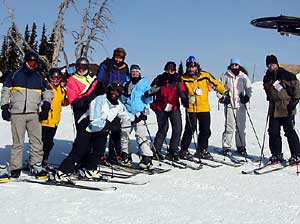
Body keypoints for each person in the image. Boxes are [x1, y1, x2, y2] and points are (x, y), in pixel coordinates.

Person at [55, 83, 128, 182]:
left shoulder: (118, 104)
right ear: (109, 90)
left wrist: (137, 118)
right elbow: (94, 119)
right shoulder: (100, 100)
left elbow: (125, 115)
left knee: (99, 150)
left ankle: (90, 169)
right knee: (80, 150)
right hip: (87, 126)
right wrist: (109, 124)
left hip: (101, 129)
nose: (115, 93)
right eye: (113, 90)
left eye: (118, 91)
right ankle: (62, 172)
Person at [0, 51, 53, 178]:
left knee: (36, 141)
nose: (33, 65)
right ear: (26, 62)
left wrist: (46, 106)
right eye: (31, 62)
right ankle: (15, 167)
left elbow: (48, 92)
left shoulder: (39, 77)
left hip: (34, 113)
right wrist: (4, 106)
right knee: (18, 142)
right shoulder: (15, 75)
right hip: (17, 113)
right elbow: (5, 91)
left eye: (35, 63)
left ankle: (36, 165)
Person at [179, 56, 227, 160]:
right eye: (189, 67)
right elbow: (181, 91)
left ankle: (202, 150)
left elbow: (215, 83)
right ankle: (183, 150)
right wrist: (185, 100)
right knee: (190, 129)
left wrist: (224, 91)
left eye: (193, 67)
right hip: (191, 108)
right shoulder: (184, 78)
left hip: (204, 107)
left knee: (205, 130)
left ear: (197, 66)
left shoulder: (205, 75)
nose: (191, 69)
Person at [263, 54, 300, 164]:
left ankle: (296, 155)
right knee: (273, 132)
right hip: (274, 109)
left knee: (289, 132)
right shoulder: (267, 77)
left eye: (273, 64)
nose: (271, 67)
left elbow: (297, 86)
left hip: (287, 107)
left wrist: (295, 101)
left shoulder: (285, 74)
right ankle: (276, 154)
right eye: (268, 65)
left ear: (277, 64)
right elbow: (267, 90)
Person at [148, 61, 188, 161]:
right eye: (168, 69)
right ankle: (156, 151)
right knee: (163, 129)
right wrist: (152, 104)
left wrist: (185, 100)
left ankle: (173, 151)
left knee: (177, 129)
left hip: (174, 107)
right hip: (161, 108)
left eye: (172, 69)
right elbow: (150, 91)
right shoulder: (160, 78)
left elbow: (183, 92)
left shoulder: (178, 79)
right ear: (165, 69)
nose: (170, 71)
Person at [96, 47, 129, 164]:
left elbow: (126, 82)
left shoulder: (125, 67)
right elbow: (100, 80)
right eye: (117, 57)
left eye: (120, 58)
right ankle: (97, 154)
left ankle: (114, 155)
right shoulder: (106, 65)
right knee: (103, 128)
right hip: (106, 98)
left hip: (117, 101)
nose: (118, 60)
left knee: (116, 129)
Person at [120, 64, 154, 169]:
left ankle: (146, 158)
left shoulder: (144, 83)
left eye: (136, 71)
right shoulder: (126, 83)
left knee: (141, 135)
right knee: (124, 133)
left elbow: (149, 100)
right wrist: (124, 96)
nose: (134, 73)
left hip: (140, 113)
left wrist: (148, 95)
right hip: (128, 113)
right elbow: (122, 100)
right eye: (133, 71)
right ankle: (125, 155)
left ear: (139, 73)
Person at [219, 58, 252, 156]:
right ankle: (226, 147)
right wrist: (222, 98)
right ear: (230, 66)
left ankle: (241, 146)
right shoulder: (226, 76)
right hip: (230, 105)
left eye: (236, 65)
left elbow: (249, 88)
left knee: (241, 128)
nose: (234, 67)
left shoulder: (243, 76)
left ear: (239, 66)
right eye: (233, 65)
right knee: (229, 127)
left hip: (240, 106)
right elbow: (219, 88)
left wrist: (247, 97)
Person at [41, 68, 69, 167]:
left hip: (55, 121)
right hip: (45, 120)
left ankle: (45, 158)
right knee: (42, 142)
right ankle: (37, 160)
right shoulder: (46, 87)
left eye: (58, 78)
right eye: (53, 78)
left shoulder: (61, 90)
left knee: (49, 142)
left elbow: (63, 102)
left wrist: (69, 99)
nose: (55, 80)